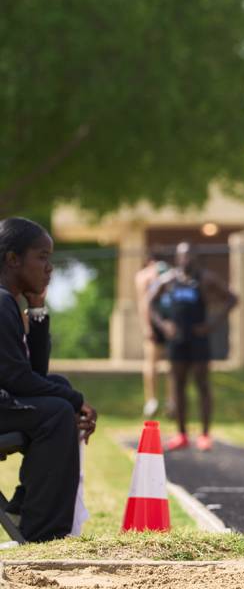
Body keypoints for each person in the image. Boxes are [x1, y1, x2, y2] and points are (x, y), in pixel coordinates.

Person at [0, 218, 97, 542]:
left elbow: (35, 375)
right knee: (57, 410)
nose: (49, 268)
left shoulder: (9, 301)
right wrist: (75, 402)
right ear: (13, 259)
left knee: (59, 386)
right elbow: (16, 379)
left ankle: (23, 507)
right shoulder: (0, 302)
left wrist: (37, 309)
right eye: (41, 257)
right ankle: (43, 532)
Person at [149, 242, 238, 452]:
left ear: (195, 257)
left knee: (202, 385)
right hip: (177, 340)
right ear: (177, 258)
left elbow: (232, 299)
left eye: (189, 256)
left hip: (198, 339)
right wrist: (163, 325)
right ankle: (181, 434)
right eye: (182, 256)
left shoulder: (206, 279)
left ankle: (205, 434)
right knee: (178, 386)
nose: (186, 260)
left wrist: (212, 324)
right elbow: (150, 302)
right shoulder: (169, 280)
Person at [135, 255, 171, 418]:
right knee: (151, 363)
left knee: (172, 364)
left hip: (168, 323)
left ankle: (172, 400)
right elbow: (144, 303)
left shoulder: (168, 274)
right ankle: (152, 400)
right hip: (154, 324)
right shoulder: (144, 277)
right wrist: (147, 326)